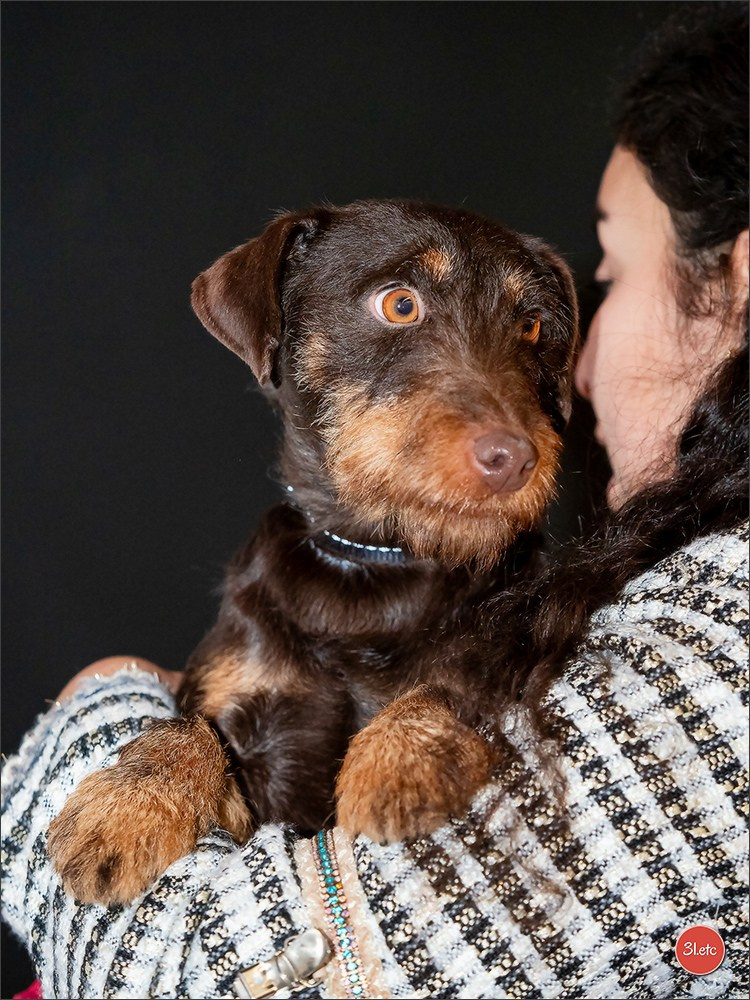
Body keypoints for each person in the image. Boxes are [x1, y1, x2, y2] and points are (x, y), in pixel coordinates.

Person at [2, 3, 747, 997]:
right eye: (402, 306)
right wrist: (172, 752)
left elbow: (192, 973)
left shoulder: (709, 654)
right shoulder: (628, 598)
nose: (525, 416)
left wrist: (100, 696)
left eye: (587, 290)